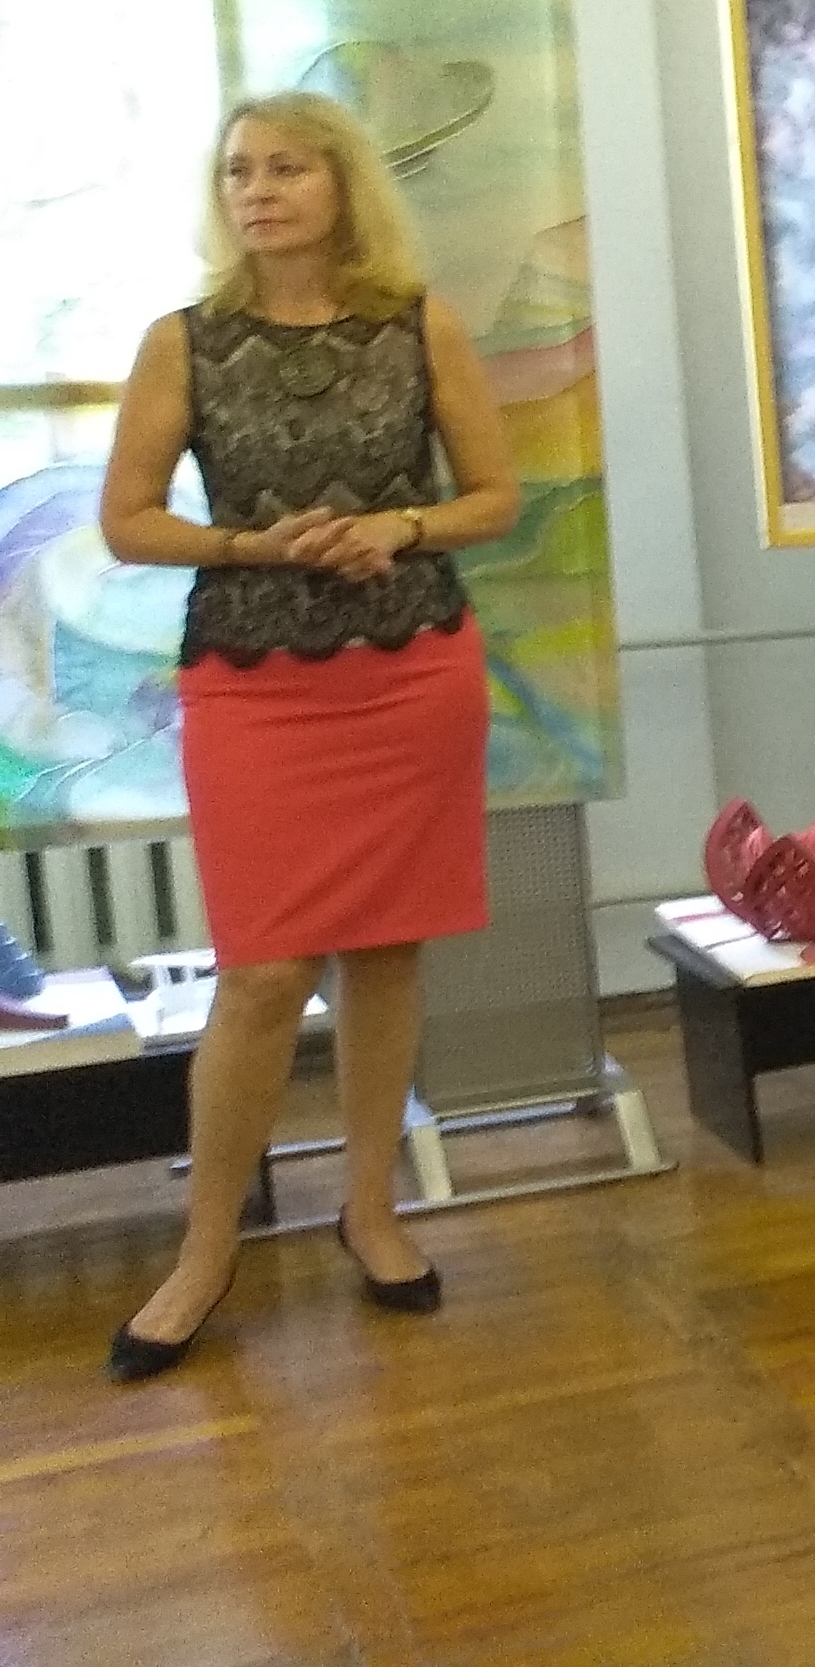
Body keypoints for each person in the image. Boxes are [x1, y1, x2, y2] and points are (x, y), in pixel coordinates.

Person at [94, 91, 520, 1381]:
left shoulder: (419, 322)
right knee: (265, 975)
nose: (258, 189)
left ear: (343, 185)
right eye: (239, 170)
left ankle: (372, 1209)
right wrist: (250, 545)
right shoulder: (183, 341)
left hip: (410, 671)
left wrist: (400, 524)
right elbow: (128, 520)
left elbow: (495, 497)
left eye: (286, 167)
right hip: (252, 681)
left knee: (386, 952)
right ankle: (205, 1251)